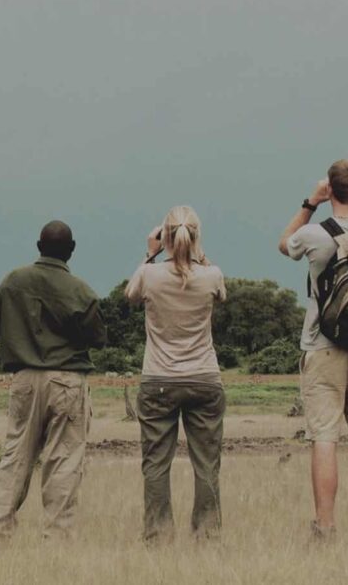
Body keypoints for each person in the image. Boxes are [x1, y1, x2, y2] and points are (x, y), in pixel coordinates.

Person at [0, 221, 107, 540]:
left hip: (24, 378)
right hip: (67, 380)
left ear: (39, 246)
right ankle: (56, 536)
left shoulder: (13, 281)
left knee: (15, 455)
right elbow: (98, 338)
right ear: (71, 251)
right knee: (64, 459)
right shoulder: (80, 290)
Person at [278, 160, 348, 537]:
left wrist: (311, 202)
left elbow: (283, 242)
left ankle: (325, 526)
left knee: (325, 438)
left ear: (331, 192)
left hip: (323, 346)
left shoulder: (317, 235)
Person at [125, 206, 227, 542]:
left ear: (165, 237)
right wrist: (197, 254)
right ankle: (207, 534)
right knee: (207, 463)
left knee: (155, 463)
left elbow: (129, 295)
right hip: (204, 377)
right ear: (196, 237)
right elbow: (220, 293)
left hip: (158, 379)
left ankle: (157, 535)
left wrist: (150, 253)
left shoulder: (149, 275)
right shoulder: (212, 275)